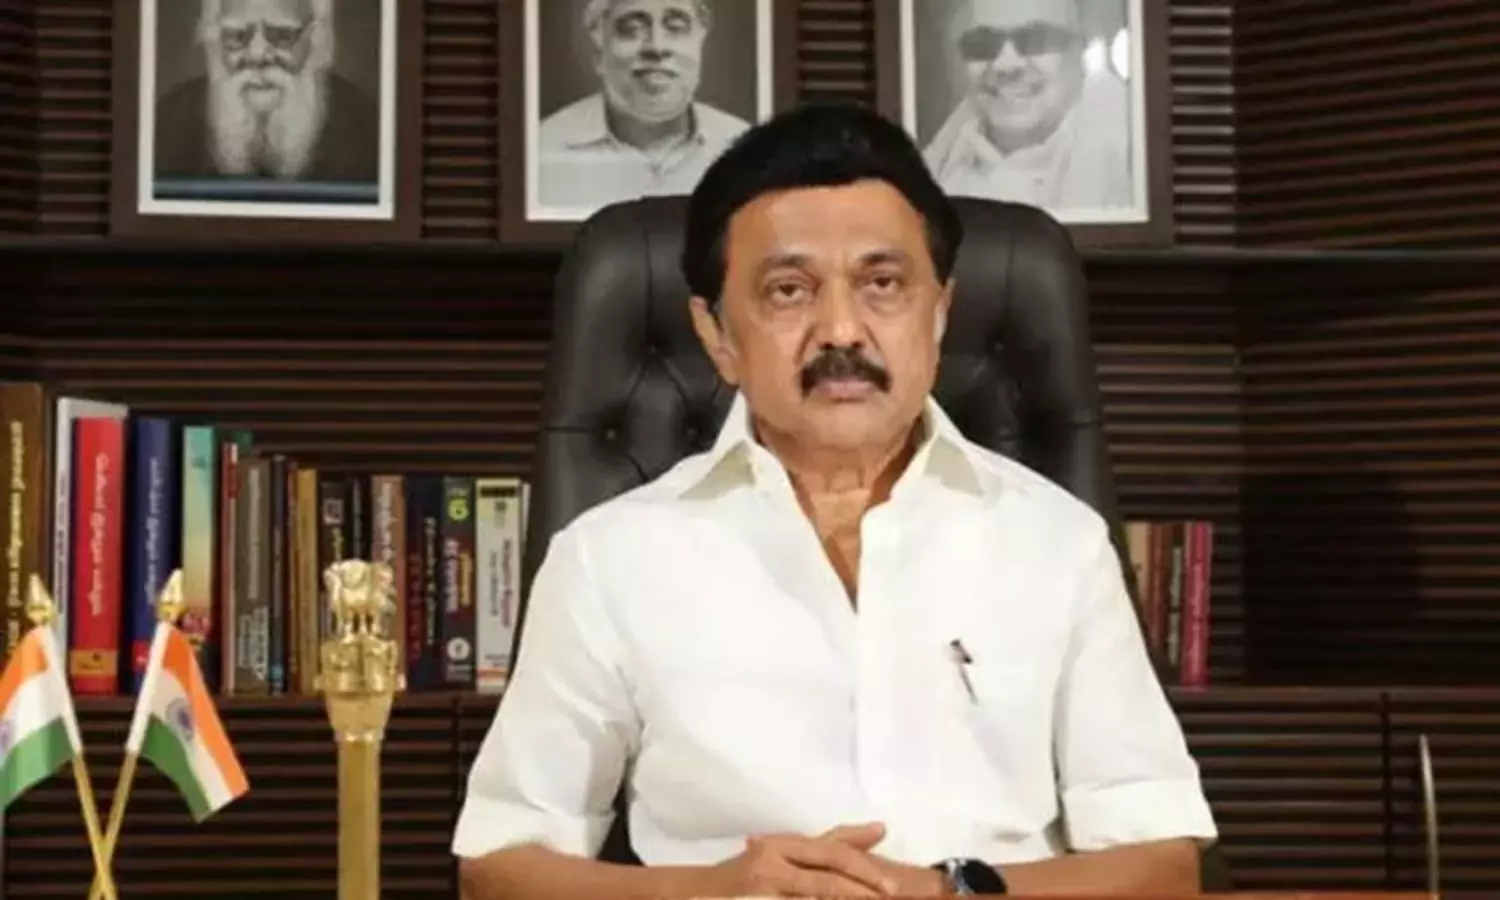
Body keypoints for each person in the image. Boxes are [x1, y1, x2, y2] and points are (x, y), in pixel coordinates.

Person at [454, 101, 1217, 898]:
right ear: (717, 336)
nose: (842, 331)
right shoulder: (609, 558)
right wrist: (710, 892)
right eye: (789, 291)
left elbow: (1163, 866)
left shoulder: (1058, 542)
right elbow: (498, 868)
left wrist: (947, 892)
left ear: (940, 313)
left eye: (882, 284)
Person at [535, 0, 751, 211]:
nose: (656, 47)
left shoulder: (745, 149)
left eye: (676, 28)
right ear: (598, 55)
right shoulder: (543, 149)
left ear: (699, 45)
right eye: (632, 29)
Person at [922, 0, 1133, 212]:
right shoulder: (938, 165)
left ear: (1081, 46)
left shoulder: (1134, 158)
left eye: (1034, 40)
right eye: (982, 44)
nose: (1006, 65)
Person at [153, 0, 379, 186]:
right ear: (214, 39)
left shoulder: (367, 127)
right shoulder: (167, 123)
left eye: (282, 35)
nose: (257, 54)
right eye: (237, 35)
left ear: (315, 39)